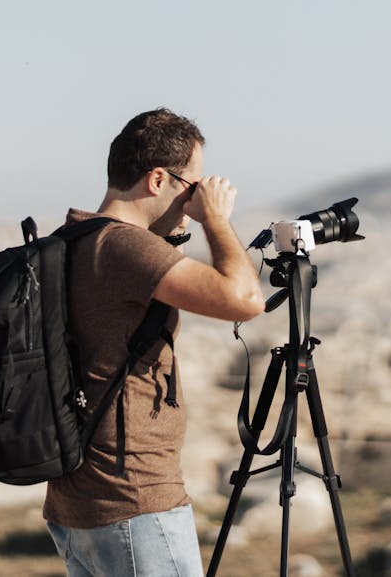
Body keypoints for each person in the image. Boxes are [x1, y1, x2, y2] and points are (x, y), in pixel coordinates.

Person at [43, 107, 265, 576]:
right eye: (192, 186)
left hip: (79, 501)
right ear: (158, 179)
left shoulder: (74, 238)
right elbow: (245, 299)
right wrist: (216, 221)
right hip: (134, 500)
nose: (194, 199)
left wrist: (179, 228)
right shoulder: (124, 247)